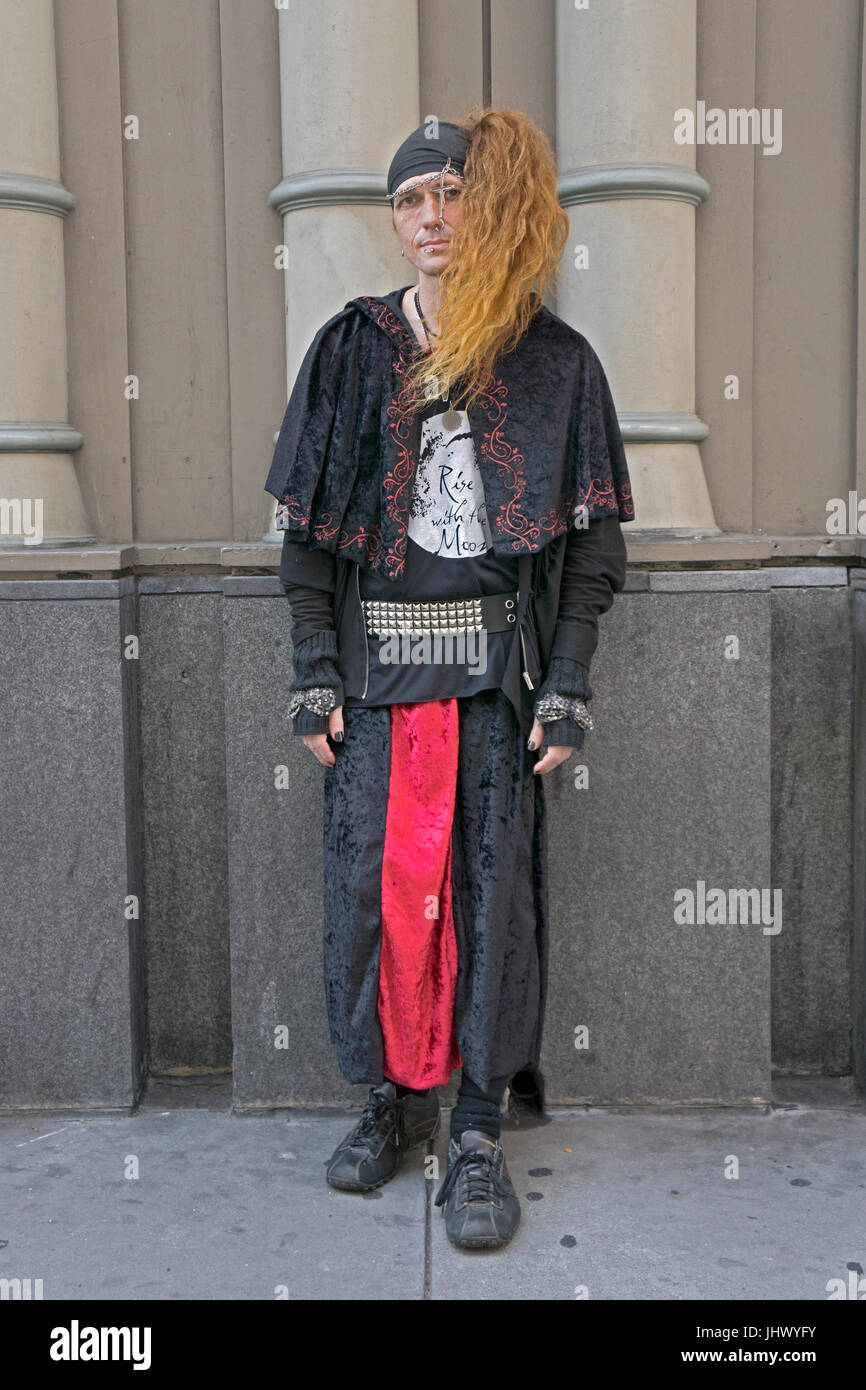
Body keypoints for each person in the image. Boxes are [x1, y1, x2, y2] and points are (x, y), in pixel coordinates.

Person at [263, 108, 635, 1251]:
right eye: (411, 200)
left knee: (486, 906)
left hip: (493, 688)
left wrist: (564, 687)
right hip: (374, 685)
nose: (431, 218)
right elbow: (308, 539)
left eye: (452, 194)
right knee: (372, 905)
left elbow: (589, 552)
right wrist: (313, 676)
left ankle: (474, 1132)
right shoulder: (350, 347)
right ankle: (388, 1100)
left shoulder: (554, 360)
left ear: (491, 206)